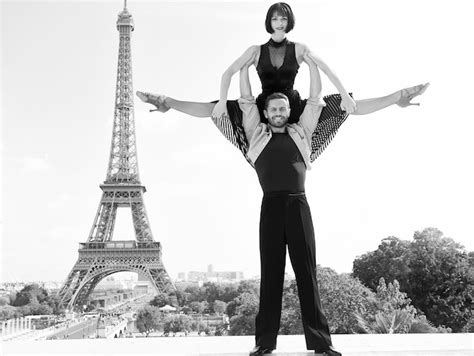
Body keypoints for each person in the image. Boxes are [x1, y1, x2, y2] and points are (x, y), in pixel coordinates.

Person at [136, 2, 428, 163]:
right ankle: (167, 102)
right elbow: (227, 74)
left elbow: (326, 69)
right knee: (213, 108)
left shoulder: (299, 48)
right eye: (275, 19)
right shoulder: (255, 50)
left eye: (283, 19)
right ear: (269, 21)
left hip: (292, 104)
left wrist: (344, 95)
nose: (279, 23)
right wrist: (224, 101)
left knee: (343, 106)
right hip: (265, 104)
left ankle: (398, 97)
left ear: (289, 22)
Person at [238, 55, 340, 356]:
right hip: (270, 207)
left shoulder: (301, 133)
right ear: (266, 113)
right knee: (271, 276)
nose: (279, 112)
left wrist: (312, 65)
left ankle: (322, 344)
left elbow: (315, 99)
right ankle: (264, 343)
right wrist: (243, 68)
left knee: (307, 274)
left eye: (283, 108)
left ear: (287, 111)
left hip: (299, 206)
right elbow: (245, 100)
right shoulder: (256, 134)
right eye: (274, 109)